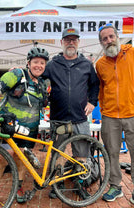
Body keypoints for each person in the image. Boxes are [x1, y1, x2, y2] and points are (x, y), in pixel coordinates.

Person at [95, 24, 134, 208]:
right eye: (104, 39)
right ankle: (115, 186)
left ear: (117, 36)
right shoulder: (100, 64)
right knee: (111, 154)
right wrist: (103, 108)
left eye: (111, 36)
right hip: (110, 116)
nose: (109, 41)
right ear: (101, 43)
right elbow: (101, 90)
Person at [0, 47, 49, 208]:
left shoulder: (42, 84)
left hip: (29, 130)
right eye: (36, 62)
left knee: (21, 159)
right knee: (0, 158)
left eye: (42, 63)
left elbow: (44, 106)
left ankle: (19, 187)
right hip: (8, 126)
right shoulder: (17, 74)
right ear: (29, 63)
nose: (39, 65)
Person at [42, 27, 100, 198]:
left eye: (74, 40)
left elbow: (95, 85)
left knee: (82, 154)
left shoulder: (86, 64)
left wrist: (92, 102)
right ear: (61, 42)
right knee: (58, 152)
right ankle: (57, 184)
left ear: (78, 42)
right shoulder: (52, 64)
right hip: (58, 118)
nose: (71, 42)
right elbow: (36, 76)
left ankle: (80, 184)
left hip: (80, 118)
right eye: (67, 40)